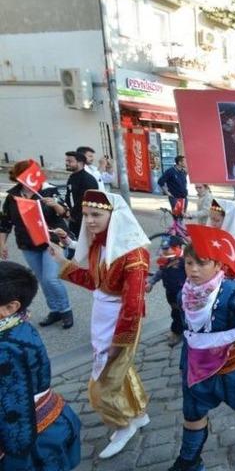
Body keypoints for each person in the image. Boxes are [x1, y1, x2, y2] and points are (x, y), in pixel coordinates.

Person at [49, 190, 151, 459]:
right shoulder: (98, 245)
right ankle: (137, 414)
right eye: (86, 215)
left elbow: (131, 305)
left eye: (97, 214)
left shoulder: (134, 255)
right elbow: (95, 282)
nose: (90, 221)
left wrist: (120, 342)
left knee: (101, 385)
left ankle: (123, 424)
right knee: (120, 372)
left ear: (113, 215)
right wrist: (62, 260)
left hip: (121, 323)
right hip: (102, 316)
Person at [167, 243, 235, 471]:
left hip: (232, 368)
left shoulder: (234, 292)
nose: (193, 270)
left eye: (201, 263)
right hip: (196, 367)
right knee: (192, 412)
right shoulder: (183, 293)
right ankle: (189, 459)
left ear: (217, 265)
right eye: (189, 263)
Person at [0, 261, 81, 471]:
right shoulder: (17, 324)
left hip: (33, 439)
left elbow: (12, 410)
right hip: (48, 421)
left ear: (11, 307)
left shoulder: (5, 348)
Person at [0, 160, 74, 329]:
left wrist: (55, 204)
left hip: (51, 240)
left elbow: (66, 212)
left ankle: (65, 310)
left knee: (51, 279)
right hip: (28, 243)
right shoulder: (13, 196)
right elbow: (4, 223)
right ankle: (55, 310)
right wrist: (2, 244)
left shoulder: (48, 189)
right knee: (42, 279)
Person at [146, 236, 186, 347]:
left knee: (181, 313)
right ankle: (179, 330)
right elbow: (160, 272)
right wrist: (151, 282)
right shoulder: (165, 260)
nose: (164, 251)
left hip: (182, 293)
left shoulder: (185, 261)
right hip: (170, 291)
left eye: (166, 249)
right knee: (175, 312)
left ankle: (179, 332)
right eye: (163, 249)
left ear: (177, 247)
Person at [62, 150, 100, 238]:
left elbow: (85, 200)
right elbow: (69, 196)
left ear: (80, 163)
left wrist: (73, 215)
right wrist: (66, 212)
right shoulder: (72, 177)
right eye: (66, 161)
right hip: (73, 220)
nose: (67, 163)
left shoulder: (88, 179)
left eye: (70, 161)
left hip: (85, 220)